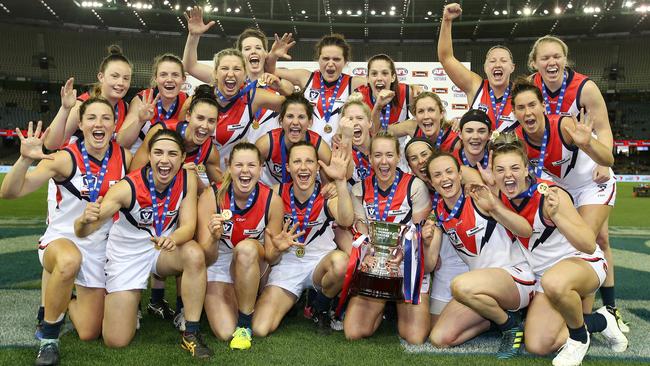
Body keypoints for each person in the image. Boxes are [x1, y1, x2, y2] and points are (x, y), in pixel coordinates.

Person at [0, 97, 130, 365]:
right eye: (91, 117)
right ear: (80, 124)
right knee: (69, 260)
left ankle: (65, 295)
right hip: (61, 240)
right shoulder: (63, 158)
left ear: (114, 124)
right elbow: (10, 192)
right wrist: (24, 159)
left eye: (106, 118)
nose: (99, 123)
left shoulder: (125, 157)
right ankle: (49, 339)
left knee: (88, 331)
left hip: (97, 248)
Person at [488, 133, 627, 365]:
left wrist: (556, 217)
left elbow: (588, 243)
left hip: (584, 263)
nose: (507, 175)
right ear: (493, 173)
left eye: (514, 168)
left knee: (555, 281)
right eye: (500, 170)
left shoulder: (550, 194)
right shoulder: (500, 196)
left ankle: (579, 338)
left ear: (526, 169)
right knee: (537, 344)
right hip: (545, 277)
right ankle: (600, 321)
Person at [74, 129, 213, 359]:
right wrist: (82, 221)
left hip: (164, 249)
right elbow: (85, 230)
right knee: (116, 340)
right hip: (127, 255)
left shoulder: (187, 179)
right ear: (149, 156)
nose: (164, 160)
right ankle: (75, 300)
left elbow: (188, 226)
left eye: (171, 154)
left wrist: (172, 238)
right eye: (158, 152)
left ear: (181, 159)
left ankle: (191, 332)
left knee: (194, 254)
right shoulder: (127, 187)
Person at [527, 36, 623, 327]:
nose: (552, 62)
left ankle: (598, 314)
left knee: (589, 242)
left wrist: (603, 161)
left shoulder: (585, 88)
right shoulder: (529, 87)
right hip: (559, 180)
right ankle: (586, 312)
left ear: (565, 59)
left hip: (590, 176)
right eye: (545, 58)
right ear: (535, 63)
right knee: (585, 240)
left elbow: (604, 129)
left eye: (557, 56)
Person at [425, 152, 535, 359]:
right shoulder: (439, 212)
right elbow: (430, 264)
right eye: (437, 175)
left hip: (515, 277)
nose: (445, 178)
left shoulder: (478, 198)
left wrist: (494, 207)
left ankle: (510, 327)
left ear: (460, 175)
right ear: (431, 183)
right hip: (480, 289)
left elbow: (525, 230)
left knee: (459, 285)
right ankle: (494, 318)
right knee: (439, 338)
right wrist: (426, 241)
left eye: (449, 172)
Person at [253, 142, 353, 335]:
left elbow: (346, 220)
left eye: (309, 161)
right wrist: (278, 248)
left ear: (317, 166)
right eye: (297, 161)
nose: (304, 167)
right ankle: (296, 299)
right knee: (259, 328)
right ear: (288, 167)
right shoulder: (275, 193)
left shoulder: (326, 194)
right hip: (287, 263)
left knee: (341, 263)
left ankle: (321, 307)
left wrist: (340, 182)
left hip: (319, 263)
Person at [343, 132, 433, 344]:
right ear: (371, 159)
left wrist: (402, 255)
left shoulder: (415, 186)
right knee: (353, 332)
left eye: (389, 155)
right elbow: (360, 231)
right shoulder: (359, 189)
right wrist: (366, 256)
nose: (384, 162)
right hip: (376, 265)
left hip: (407, 266)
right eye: (378, 155)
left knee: (415, 337)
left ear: (398, 156)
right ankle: (382, 306)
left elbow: (418, 231)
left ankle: (395, 304)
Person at [195, 142, 282, 350]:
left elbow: (272, 258)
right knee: (225, 332)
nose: (245, 171)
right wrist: (213, 239)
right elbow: (205, 257)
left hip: (251, 260)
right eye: (239, 165)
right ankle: (242, 299)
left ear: (261, 168)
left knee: (245, 249)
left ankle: (244, 324)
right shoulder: (211, 196)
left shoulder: (272, 200)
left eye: (251, 165)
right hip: (218, 258)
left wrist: (278, 248)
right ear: (229, 166)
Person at [182, 6, 294, 142]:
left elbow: (295, 103)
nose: (253, 51)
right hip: (238, 158)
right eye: (247, 48)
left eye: (258, 48)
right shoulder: (229, 78)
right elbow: (190, 66)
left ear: (266, 53)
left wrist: (274, 62)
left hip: (269, 158)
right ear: (240, 55)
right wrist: (193, 36)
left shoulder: (279, 81)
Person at [402, 138, 469, 325]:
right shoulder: (426, 200)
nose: (421, 161)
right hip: (448, 263)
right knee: (436, 328)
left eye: (424, 154)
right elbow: (430, 263)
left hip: (480, 262)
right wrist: (427, 245)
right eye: (414, 158)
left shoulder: (469, 187)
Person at [186, 48, 284, 169]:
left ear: (244, 75)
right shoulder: (197, 99)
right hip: (194, 173)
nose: (231, 74)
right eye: (224, 68)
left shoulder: (253, 97)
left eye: (237, 69)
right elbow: (179, 132)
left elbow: (295, 107)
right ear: (215, 73)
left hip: (231, 178)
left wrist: (281, 87)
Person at [265, 32, 367, 144]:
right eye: (326, 58)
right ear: (318, 59)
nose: (330, 64)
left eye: (336, 59)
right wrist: (273, 55)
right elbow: (270, 71)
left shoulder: (354, 83)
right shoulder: (306, 77)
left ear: (345, 61)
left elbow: (380, 84)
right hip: (308, 152)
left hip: (338, 152)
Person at [438, 3, 517, 132]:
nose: (497, 64)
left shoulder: (521, 92)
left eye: (503, 61)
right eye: (492, 61)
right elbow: (446, 58)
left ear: (512, 67)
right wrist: (446, 20)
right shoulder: (475, 87)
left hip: (511, 152)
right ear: (485, 67)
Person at [131, 84, 221, 187]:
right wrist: (175, 171)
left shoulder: (210, 151)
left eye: (211, 121)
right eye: (200, 118)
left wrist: (195, 180)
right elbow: (133, 174)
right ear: (188, 116)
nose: (205, 126)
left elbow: (220, 193)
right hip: (148, 194)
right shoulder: (161, 131)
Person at [44, 45, 132, 150]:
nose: (121, 83)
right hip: (76, 164)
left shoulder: (125, 107)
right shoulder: (81, 105)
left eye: (126, 78)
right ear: (101, 77)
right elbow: (50, 145)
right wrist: (65, 109)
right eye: (115, 76)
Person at [117, 54, 189, 154]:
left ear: (183, 79)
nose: (169, 79)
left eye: (175, 75)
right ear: (156, 78)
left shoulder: (187, 101)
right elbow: (122, 142)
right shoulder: (142, 99)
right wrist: (140, 121)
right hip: (141, 159)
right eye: (163, 74)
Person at [255, 93, 332, 186]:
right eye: (290, 116)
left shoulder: (319, 147)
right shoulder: (266, 144)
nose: (295, 122)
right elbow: (251, 175)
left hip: (306, 197)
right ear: (281, 121)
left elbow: (328, 186)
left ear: (310, 122)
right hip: (273, 193)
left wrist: (332, 187)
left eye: (301, 117)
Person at [373, 92, 460, 152]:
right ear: (415, 116)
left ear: (441, 114)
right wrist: (378, 106)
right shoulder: (413, 127)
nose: (426, 116)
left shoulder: (455, 138)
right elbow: (378, 131)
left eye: (431, 110)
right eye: (421, 111)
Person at [356, 54, 420, 130]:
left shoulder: (406, 92)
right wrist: (378, 106)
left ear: (393, 77)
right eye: (374, 74)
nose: (379, 78)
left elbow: (423, 120)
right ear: (367, 78)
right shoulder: (359, 97)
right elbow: (370, 132)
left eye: (385, 73)